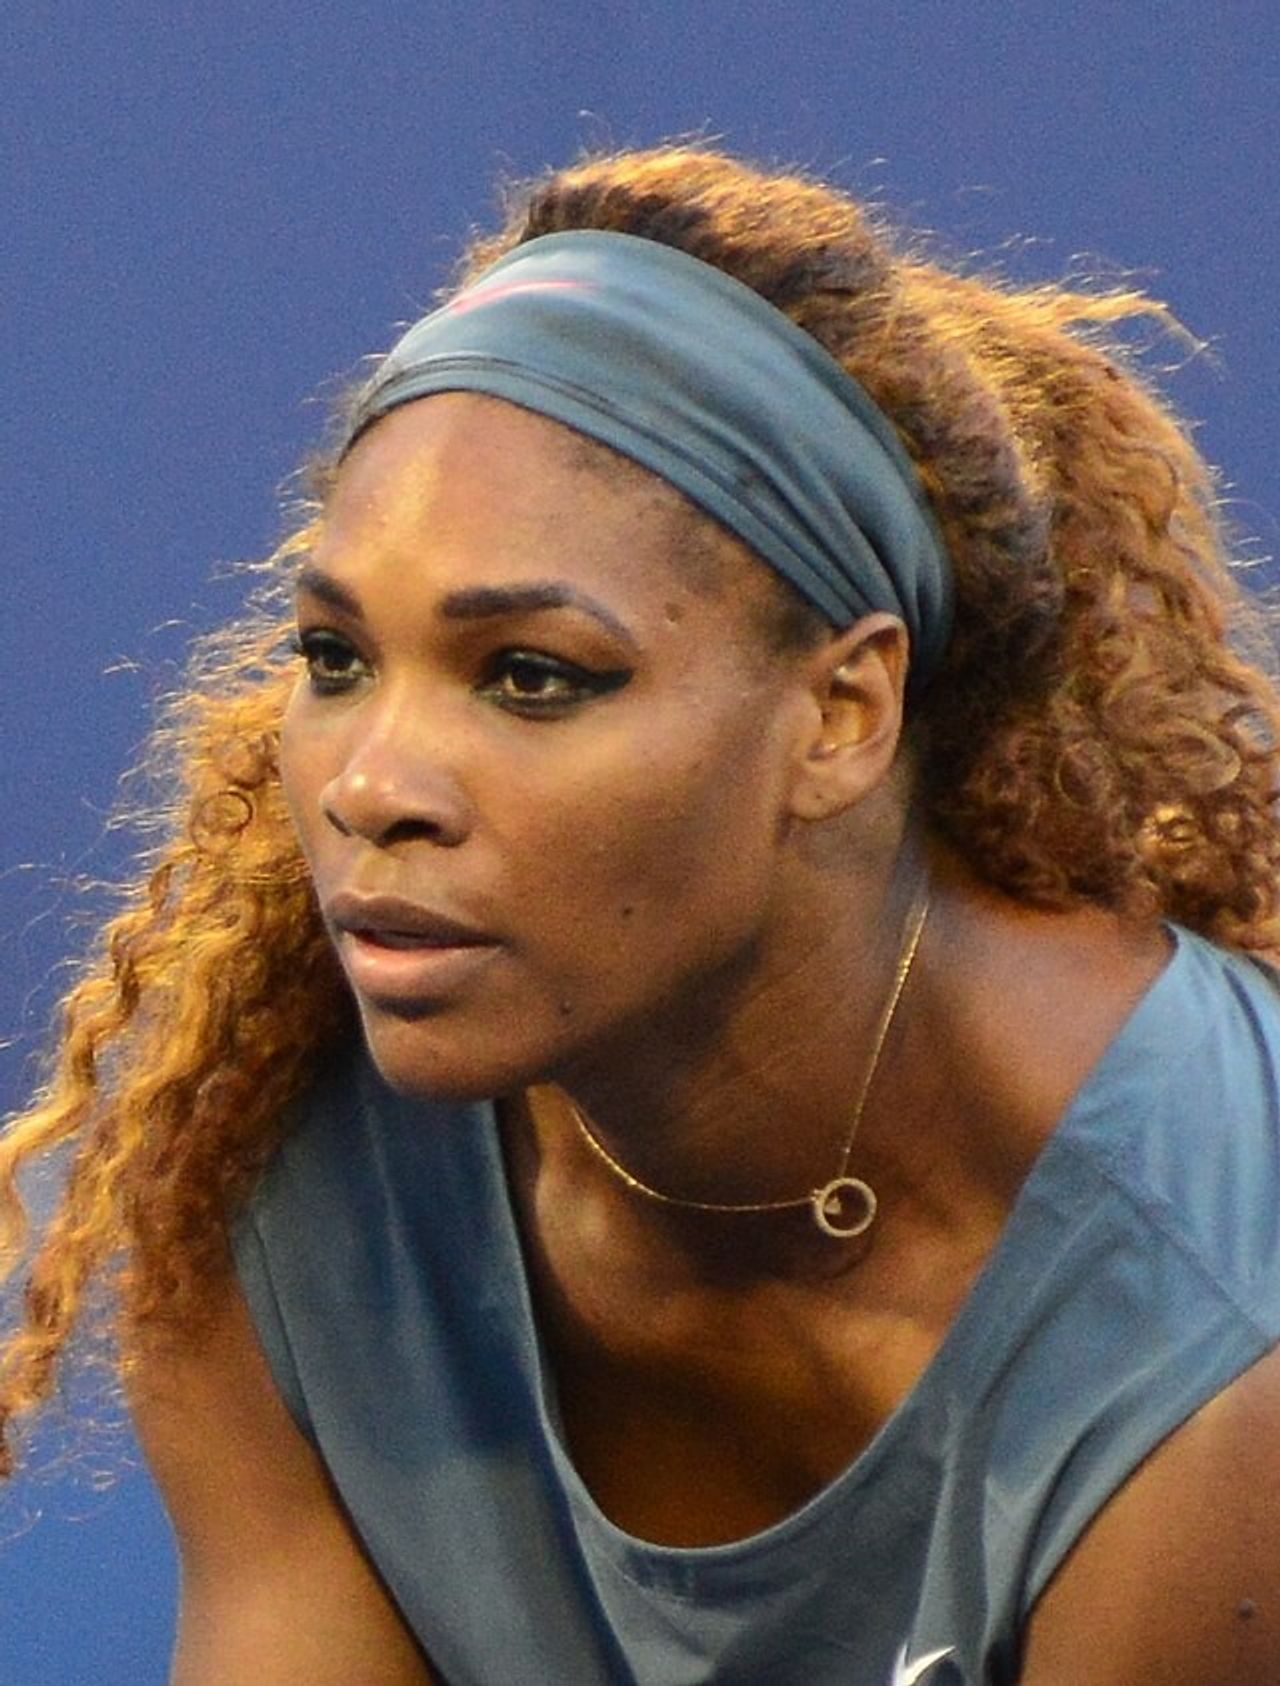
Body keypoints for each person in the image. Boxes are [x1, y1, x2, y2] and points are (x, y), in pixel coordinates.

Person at [4, 145, 1280, 1686]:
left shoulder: (1222, 1325)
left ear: (842, 714)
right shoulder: (267, 1152)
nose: (370, 785)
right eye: (335, 658)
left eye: (531, 675)